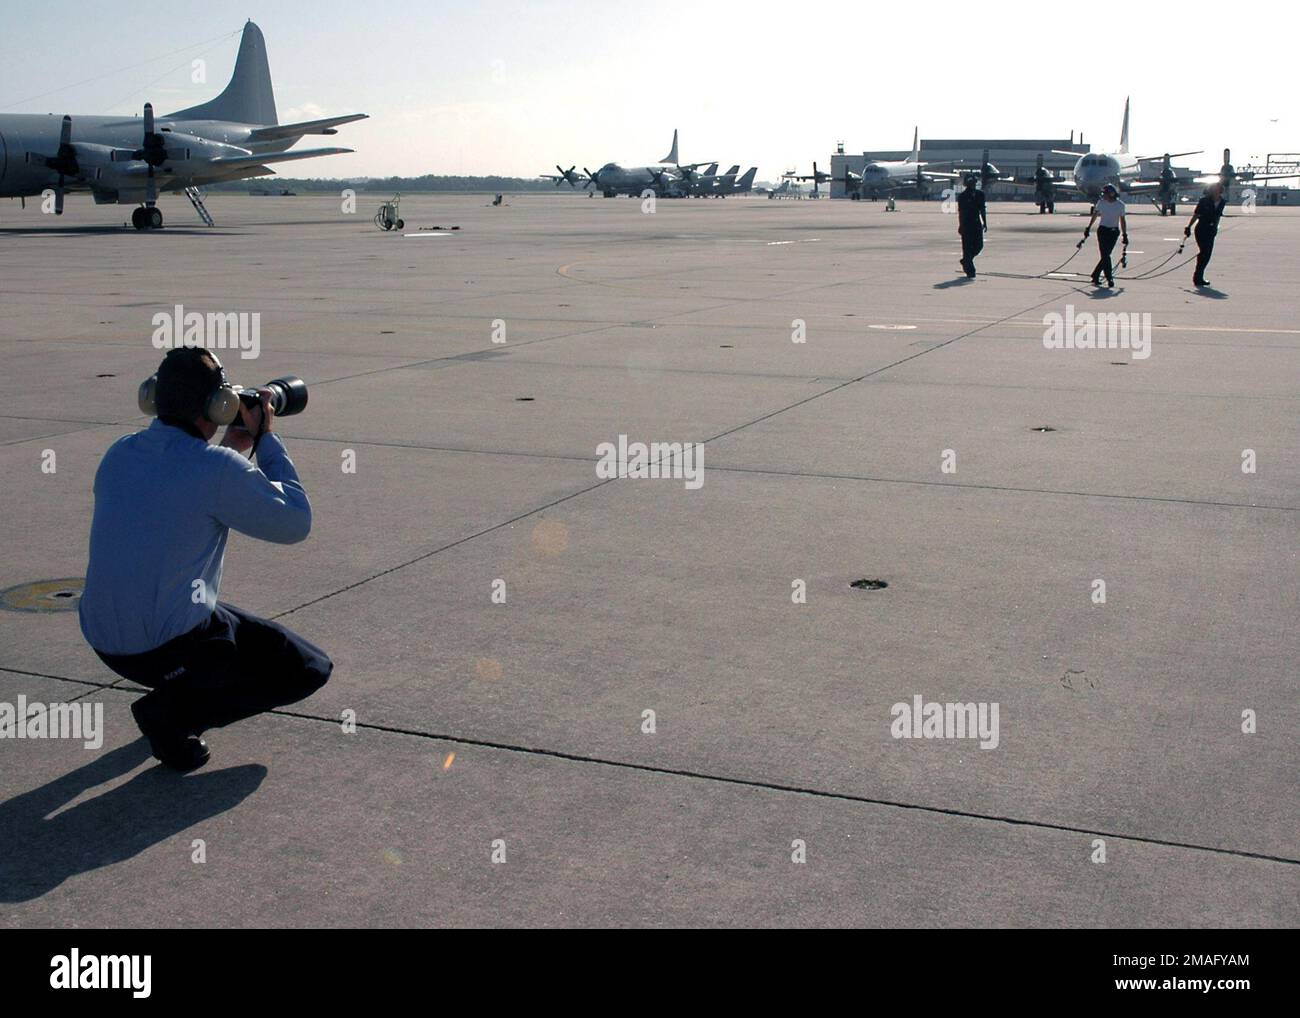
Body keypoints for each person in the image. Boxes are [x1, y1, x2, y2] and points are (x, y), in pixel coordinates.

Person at [78, 347, 332, 771]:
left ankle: (177, 697)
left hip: (104, 641)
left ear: (153, 397)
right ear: (221, 404)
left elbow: (182, 487)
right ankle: (171, 715)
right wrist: (266, 439)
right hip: (164, 648)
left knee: (219, 629)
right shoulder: (213, 468)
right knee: (307, 668)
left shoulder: (120, 451)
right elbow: (295, 523)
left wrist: (233, 448)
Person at [1082, 183, 1128, 287]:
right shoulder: (1101, 203)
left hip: (1113, 232)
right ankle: (1109, 277)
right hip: (1103, 231)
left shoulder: (1120, 205)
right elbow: (1095, 215)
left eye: (1105, 194)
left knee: (1106, 255)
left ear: (1112, 194)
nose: (1104, 196)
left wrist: (1125, 235)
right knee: (1105, 255)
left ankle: (1095, 274)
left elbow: (1122, 220)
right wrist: (1088, 227)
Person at [1186, 181, 1226, 287]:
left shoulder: (1222, 202)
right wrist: (1188, 227)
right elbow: (1196, 215)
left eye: (1219, 188)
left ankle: (1199, 276)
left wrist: (1216, 228)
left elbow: (1218, 217)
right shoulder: (1204, 201)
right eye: (1215, 188)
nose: (1217, 190)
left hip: (1211, 230)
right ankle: (1197, 277)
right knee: (1204, 252)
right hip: (1201, 229)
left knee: (1207, 255)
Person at [956, 175, 987, 278]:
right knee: (967, 248)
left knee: (979, 246)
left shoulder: (980, 194)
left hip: (976, 223)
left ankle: (966, 261)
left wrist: (985, 222)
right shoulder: (962, 196)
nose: (971, 185)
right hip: (966, 224)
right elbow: (961, 212)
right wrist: (960, 225)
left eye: (973, 183)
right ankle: (970, 270)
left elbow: (982, 209)